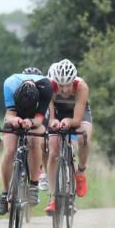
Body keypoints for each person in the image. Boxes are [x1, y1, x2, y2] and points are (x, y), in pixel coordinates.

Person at [0, 71, 53, 215]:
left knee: (35, 140)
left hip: (35, 115)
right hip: (15, 112)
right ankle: (4, 192)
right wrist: (14, 119)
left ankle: (33, 185)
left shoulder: (46, 87)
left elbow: (39, 120)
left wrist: (31, 122)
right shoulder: (9, 84)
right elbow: (9, 115)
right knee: (9, 150)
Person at [44, 59, 91, 215]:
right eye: (61, 85)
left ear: (73, 80)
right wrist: (53, 121)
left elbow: (76, 120)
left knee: (84, 138)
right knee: (53, 151)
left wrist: (69, 121)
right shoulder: (50, 86)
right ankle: (53, 198)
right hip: (58, 111)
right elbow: (51, 117)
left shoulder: (81, 87)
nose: (64, 89)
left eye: (68, 85)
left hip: (77, 112)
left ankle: (80, 172)